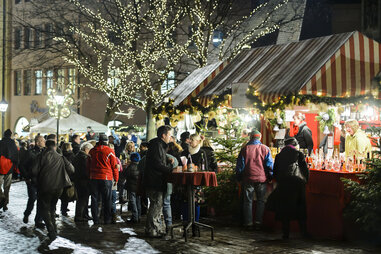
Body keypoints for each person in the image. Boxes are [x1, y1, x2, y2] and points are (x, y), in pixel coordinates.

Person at [31, 140, 74, 241]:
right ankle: (54, 228)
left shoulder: (41, 156)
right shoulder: (60, 157)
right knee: (52, 207)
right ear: (55, 147)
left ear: (46, 146)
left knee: (45, 208)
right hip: (59, 187)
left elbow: (33, 171)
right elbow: (72, 169)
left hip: (45, 187)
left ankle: (51, 231)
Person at [270, 137, 309, 239]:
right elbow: (305, 170)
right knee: (300, 208)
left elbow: (275, 171)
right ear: (295, 145)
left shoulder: (279, 156)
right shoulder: (298, 154)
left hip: (283, 185)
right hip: (297, 185)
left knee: (285, 210)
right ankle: (303, 232)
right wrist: (306, 181)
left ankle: (285, 233)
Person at [236, 129, 273, 230]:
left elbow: (240, 166)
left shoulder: (245, 149)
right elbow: (269, 165)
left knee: (248, 201)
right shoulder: (265, 149)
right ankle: (258, 222)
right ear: (260, 137)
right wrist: (270, 176)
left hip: (248, 178)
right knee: (261, 201)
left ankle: (248, 223)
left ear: (250, 137)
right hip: (261, 179)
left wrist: (239, 177)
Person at [144, 125, 174, 237]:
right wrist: (169, 168)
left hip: (156, 180)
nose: (170, 138)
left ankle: (154, 228)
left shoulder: (158, 145)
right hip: (154, 180)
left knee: (157, 205)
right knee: (156, 205)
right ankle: (152, 230)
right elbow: (157, 163)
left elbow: (158, 159)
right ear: (163, 135)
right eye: (169, 135)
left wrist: (166, 159)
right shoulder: (157, 145)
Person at [88, 134, 119, 224]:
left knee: (94, 199)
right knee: (107, 200)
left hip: (94, 177)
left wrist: (89, 175)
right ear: (106, 141)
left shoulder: (92, 151)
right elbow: (114, 166)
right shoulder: (109, 151)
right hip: (106, 178)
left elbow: (88, 165)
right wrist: (116, 178)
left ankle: (95, 220)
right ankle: (107, 219)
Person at [19, 135, 45, 227]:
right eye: (42, 140)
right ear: (38, 142)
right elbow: (21, 165)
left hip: (41, 180)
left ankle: (38, 220)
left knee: (41, 200)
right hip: (32, 180)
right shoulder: (30, 153)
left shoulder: (44, 152)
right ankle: (27, 213)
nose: (44, 142)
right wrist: (26, 177)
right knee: (32, 198)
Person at [73, 142, 93, 222]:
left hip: (80, 180)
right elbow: (85, 170)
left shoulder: (78, 156)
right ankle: (79, 216)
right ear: (86, 149)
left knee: (84, 198)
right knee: (82, 199)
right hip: (83, 181)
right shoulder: (84, 157)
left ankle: (84, 214)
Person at [0, 129, 19, 211]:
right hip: (9, 168)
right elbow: (16, 156)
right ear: (10, 135)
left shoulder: (0, 142)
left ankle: (1, 197)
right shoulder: (12, 143)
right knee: (7, 187)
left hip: (0, 167)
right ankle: (5, 203)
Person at [124, 152, 142, 223]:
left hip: (131, 187)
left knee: (133, 202)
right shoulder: (141, 166)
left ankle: (135, 217)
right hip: (138, 186)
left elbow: (125, 174)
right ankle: (139, 216)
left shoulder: (130, 166)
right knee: (138, 202)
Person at [61, 142, 76, 216]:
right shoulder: (72, 155)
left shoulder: (61, 155)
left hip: (62, 176)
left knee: (63, 194)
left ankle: (63, 208)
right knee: (68, 193)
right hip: (70, 177)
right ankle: (64, 209)